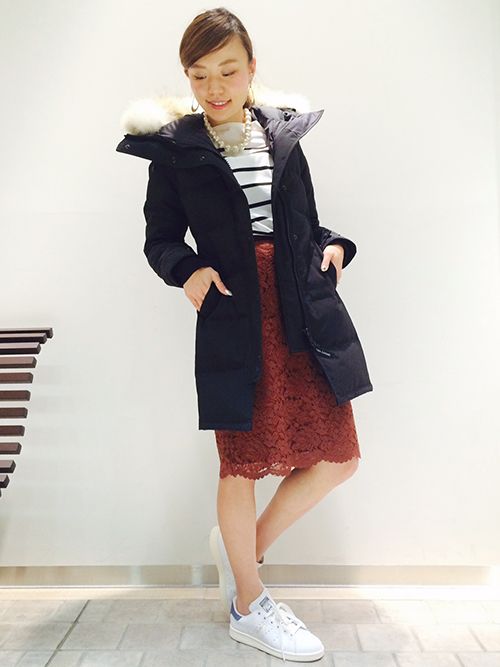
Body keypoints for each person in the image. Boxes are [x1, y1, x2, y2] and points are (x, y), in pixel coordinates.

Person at [116, 7, 373, 662]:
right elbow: (160, 237)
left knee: (338, 456)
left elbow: (306, 220)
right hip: (235, 313)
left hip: (301, 306)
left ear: (252, 68)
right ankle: (248, 605)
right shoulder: (175, 149)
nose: (215, 87)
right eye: (200, 74)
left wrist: (334, 245)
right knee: (242, 462)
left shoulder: (282, 135)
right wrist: (188, 270)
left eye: (228, 71)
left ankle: (241, 551)